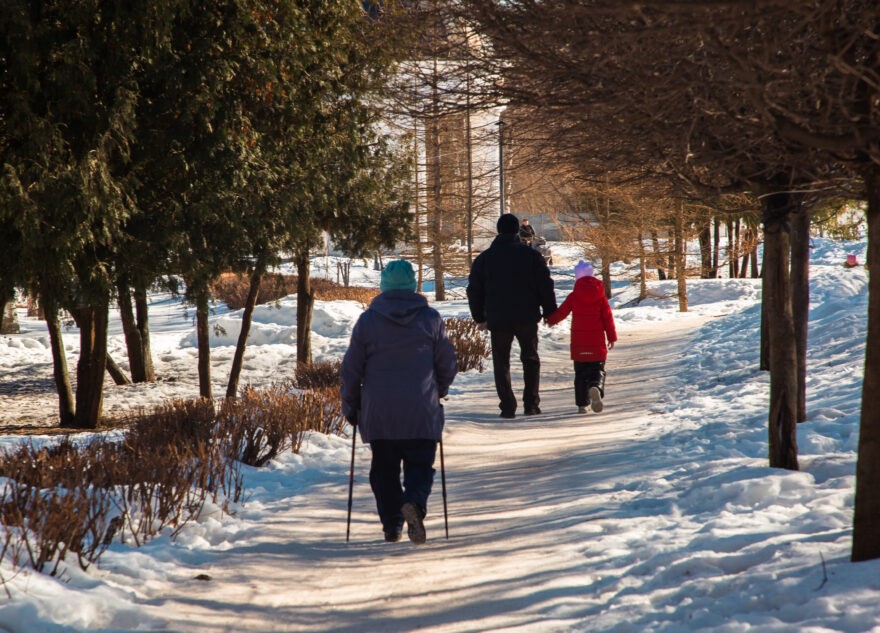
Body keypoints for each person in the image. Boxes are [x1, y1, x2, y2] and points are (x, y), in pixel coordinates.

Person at [340, 259, 457, 545]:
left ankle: (392, 525)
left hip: (380, 412)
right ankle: (414, 503)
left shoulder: (368, 321)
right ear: (412, 285)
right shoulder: (430, 318)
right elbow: (447, 362)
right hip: (420, 408)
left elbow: (351, 369)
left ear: (383, 286)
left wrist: (351, 405)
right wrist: (438, 390)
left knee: (384, 470)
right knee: (420, 466)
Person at [467, 213, 557, 418]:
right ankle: (531, 404)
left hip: (498, 318)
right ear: (517, 230)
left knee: (501, 362)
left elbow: (474, 290)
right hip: (527, 316)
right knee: (530, 358)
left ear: (498, 231)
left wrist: (479, 317)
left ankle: (507, 406)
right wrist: (549, 311)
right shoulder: (531, 256)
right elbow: (545, 285)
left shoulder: (485, 258)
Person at [546, 261, 617, 414]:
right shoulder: (601, 297)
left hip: (579, 344)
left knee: (580, 374)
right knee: (598, 370)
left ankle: (582, 405)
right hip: (597, 344)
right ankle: (595, 386)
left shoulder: (574, 296)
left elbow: (562, 312)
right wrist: (612, 337)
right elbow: (608, 319)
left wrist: (550, 320)